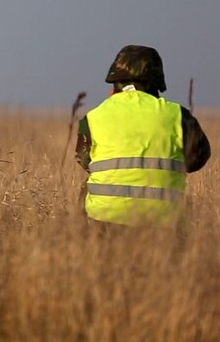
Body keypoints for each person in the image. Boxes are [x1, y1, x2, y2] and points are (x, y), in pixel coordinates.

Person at [76, 45, 210, 229]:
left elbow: (84, 160)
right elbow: (198, 159)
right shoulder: (178, 115)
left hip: (103, 223)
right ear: (157, 82)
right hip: (165, 225)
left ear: (115, 83)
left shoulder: (92, 118)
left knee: (87, 188)